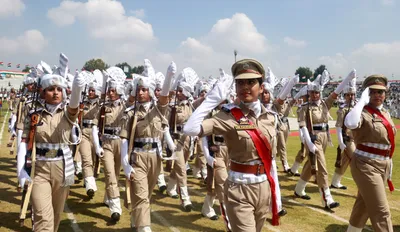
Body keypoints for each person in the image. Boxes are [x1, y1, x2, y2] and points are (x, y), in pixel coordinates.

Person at [184, 59, 280, 232]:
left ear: (262, 86)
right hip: (239, 189)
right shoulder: (228, 116)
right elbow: (190, 129)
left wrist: (276, 196)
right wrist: (212, 99)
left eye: (251, 82)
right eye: (240, 83)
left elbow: (270, 159)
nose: (245, 87)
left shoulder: (270, 117)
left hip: (264, 186)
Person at [17, 71, 85, 231]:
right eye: (51, 89)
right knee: (42, 217)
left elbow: (74, 104)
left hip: (62, 169)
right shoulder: (34, 115)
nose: (55, 93)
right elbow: (24, 142)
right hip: (39, 168)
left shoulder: (68, 115)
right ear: (43, 92)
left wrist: (77, 87)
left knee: (55, 216)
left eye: (59, 89)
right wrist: (21, 171)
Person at [120, 60, 176, 232]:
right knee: (142, 196)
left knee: (147, 195)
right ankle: (144, 227)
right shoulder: (130, 113)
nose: (141, 92)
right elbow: (124, 139)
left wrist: (169, 76)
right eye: (138, 89)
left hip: (155, 157)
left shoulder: (159, 110)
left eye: (144, 89)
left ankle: (136, 218)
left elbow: (165, 97)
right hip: (138, 157)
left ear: (151, 92)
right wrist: (125, 164)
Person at [294, 69, 355, 209]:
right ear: (308, 93)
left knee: (311, 166)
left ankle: (298, 189)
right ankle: (327, 198)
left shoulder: (325, 104)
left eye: (317, 92)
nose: (315, 95)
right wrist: (308, 143)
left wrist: (348, 78)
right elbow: (303, 126)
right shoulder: (304, 108)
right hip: (313, 137)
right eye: (312, 92)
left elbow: (336, 92)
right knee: (322, 167)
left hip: (324, 137)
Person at [345, 75, 396, 232]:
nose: (377, 95)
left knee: (364, 206)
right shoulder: (362, 112)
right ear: (367, 93)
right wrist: (361, 101)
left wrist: (389, 161)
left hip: (383, 164)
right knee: (381, 211)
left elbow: (387, 141)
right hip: (366, 165)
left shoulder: (386, 113)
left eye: (381, 92)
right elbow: (350, 123)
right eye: (372, 92)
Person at [92, 68, 126, 222]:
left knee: (116, 175)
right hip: (106, 142)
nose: (111, 93)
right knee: (110, 173)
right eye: (109, 90)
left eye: (114, 90)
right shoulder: (102, 106)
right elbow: (94, 126)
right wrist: (97, 146)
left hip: (121, 142)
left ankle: (108, 197)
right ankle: (116, 207)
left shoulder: (125, 106)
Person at [330, 79, 357, 190]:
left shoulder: (357, 107)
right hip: (348, 139)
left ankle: (335, 182)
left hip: (357, 139)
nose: (350, 97)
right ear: (345, 96)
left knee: (345, 161)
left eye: (352, 95)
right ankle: (362, 185)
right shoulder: (343, 109)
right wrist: (341, 142)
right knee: (356, 161)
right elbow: (338, 126)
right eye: (348, 95)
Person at [78, 78, 101, 197]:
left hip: (96, 133)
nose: (90, 92)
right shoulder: (83, 103)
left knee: (94, 160)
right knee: (86, 159)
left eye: (92, 90)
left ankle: (89, 179)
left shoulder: (101, 104)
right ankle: (90, 186)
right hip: (84, 132)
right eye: (89, 90)